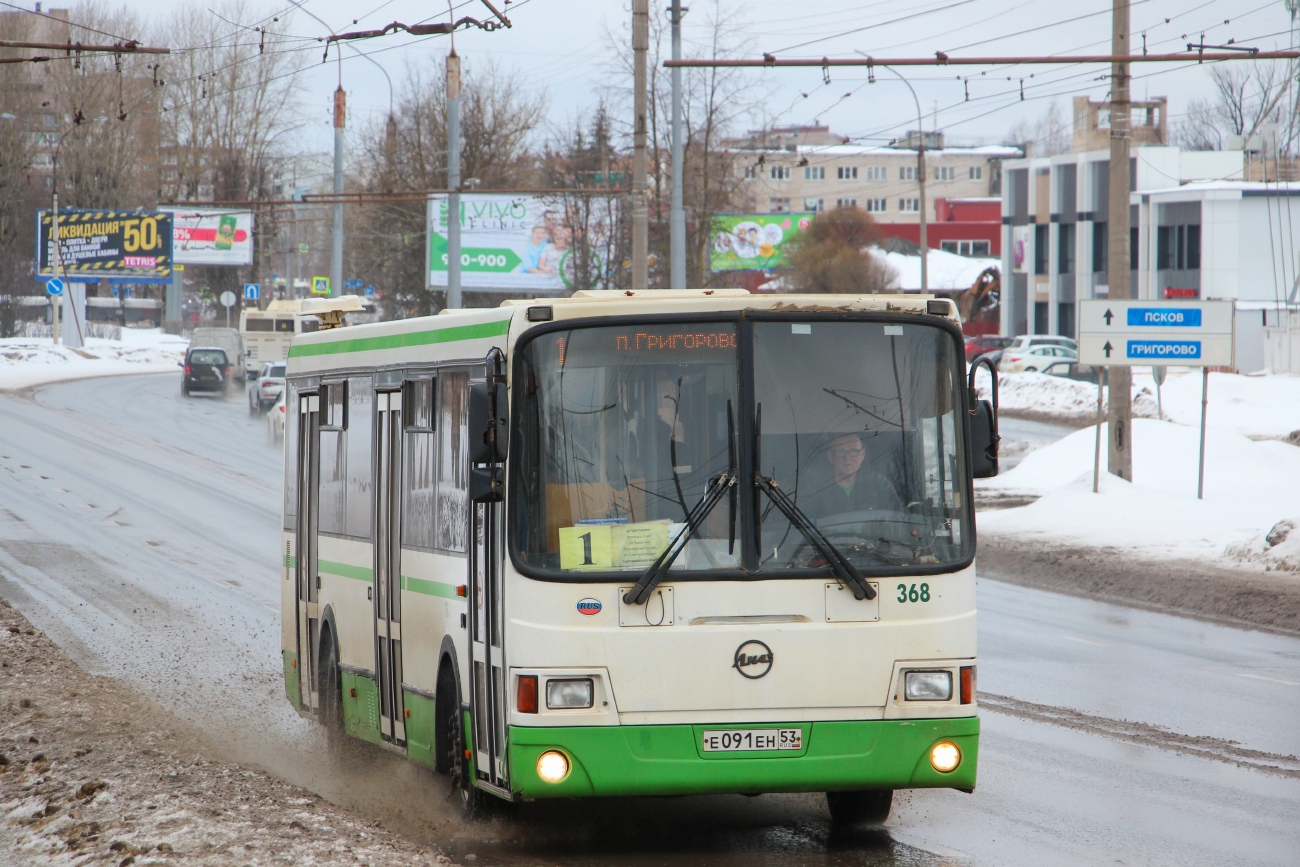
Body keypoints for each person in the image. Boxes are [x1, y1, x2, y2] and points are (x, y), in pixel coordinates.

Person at [803, 432, 902, 521]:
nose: (847, 458)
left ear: (862, 455)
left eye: (854, 451)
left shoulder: (879, 483)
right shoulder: (815, 488)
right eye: (840, 452)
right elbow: (803, 524)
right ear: (830, 456)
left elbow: (900, 517)